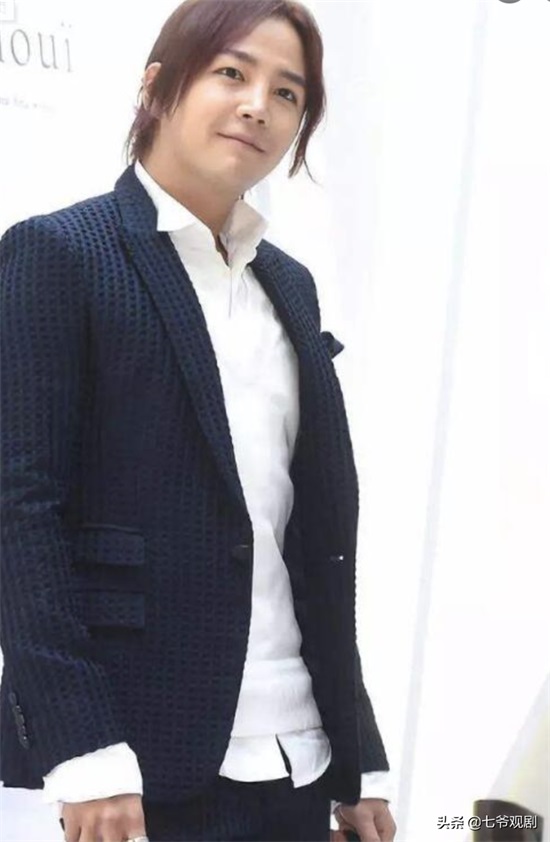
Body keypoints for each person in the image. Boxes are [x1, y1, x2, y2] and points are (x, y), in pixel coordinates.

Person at [0, 1, 397, 840]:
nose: (258, 105)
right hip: (138, 762)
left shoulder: (289, 286)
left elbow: (306, 537)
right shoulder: (60, 253)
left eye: (287, 93)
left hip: (299, 756)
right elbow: (19, 513)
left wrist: (358, 757)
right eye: (231, 73)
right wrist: (83, 748)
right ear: (156, 87)